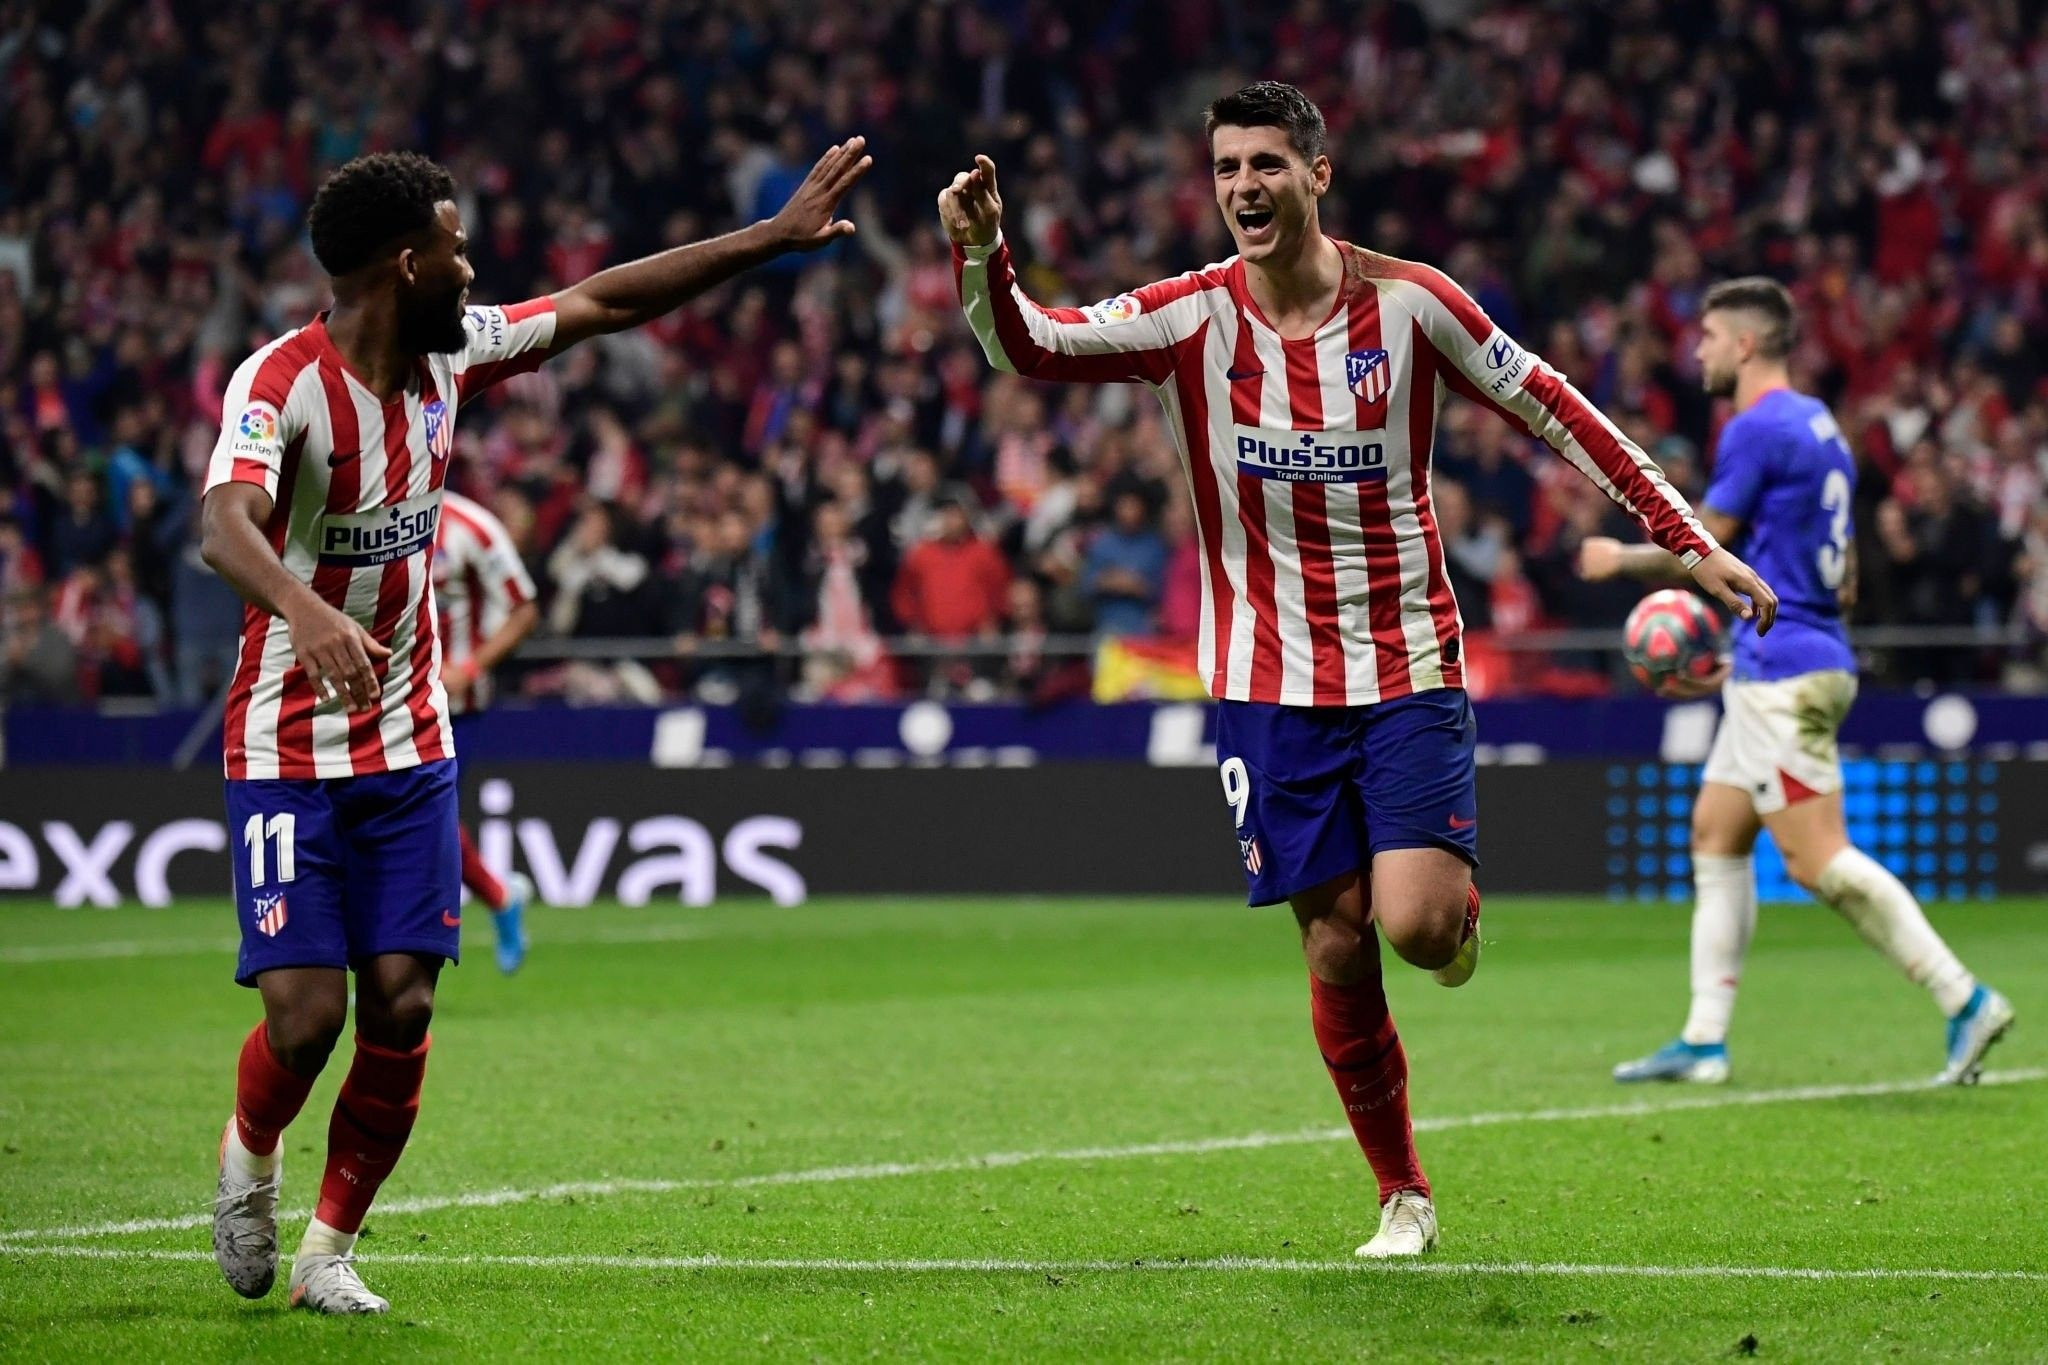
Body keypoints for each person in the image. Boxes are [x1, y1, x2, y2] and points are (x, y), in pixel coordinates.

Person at [940, 81, 1775, 1259]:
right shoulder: (1188, 319)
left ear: (1316, 176)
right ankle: (1402, 1195)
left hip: (1402, 662)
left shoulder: (1410, 305)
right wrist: (985, 253)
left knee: (1419, 932)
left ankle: (1453, 910)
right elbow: (1026, 344)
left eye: (1266, 165)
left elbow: (1557, 410)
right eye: (1226, 168)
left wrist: (1686, 542)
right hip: (1261, 686)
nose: (1243, 187)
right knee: (1335, 941)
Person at [201, 141, 868, 1315]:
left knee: (403, 999)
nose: (474, 267)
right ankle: (248, 1162)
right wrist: (303, 608)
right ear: (406, 264)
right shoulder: (280, 384)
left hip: (409, 736)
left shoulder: (454, 356)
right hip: (284, 740)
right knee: (307, 1018)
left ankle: (326, 1253)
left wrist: (767, 238)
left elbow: (605, 298)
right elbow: (226, 526)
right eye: (456, 246)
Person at [1579, 276, 2012, 1087]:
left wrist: (1620, 558)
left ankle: (1965, 996)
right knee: (1717, 830)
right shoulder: (1823, 429)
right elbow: (1844, 577)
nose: (1698, 349)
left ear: (1745, 343)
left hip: (1785, 668)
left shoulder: (1755, 427)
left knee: (1817, 860)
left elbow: (1706, 542)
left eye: (1708, 335)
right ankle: (1704, 1039)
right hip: (1802, 653)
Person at [433, 488, 540, 973]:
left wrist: (471, 667)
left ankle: (381, 966)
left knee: (422, 822)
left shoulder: (471, 527)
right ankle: (500, 896)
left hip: (455, 706)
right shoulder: (361, 509)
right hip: (382, 700)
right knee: (396, 823)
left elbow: (524, 608)